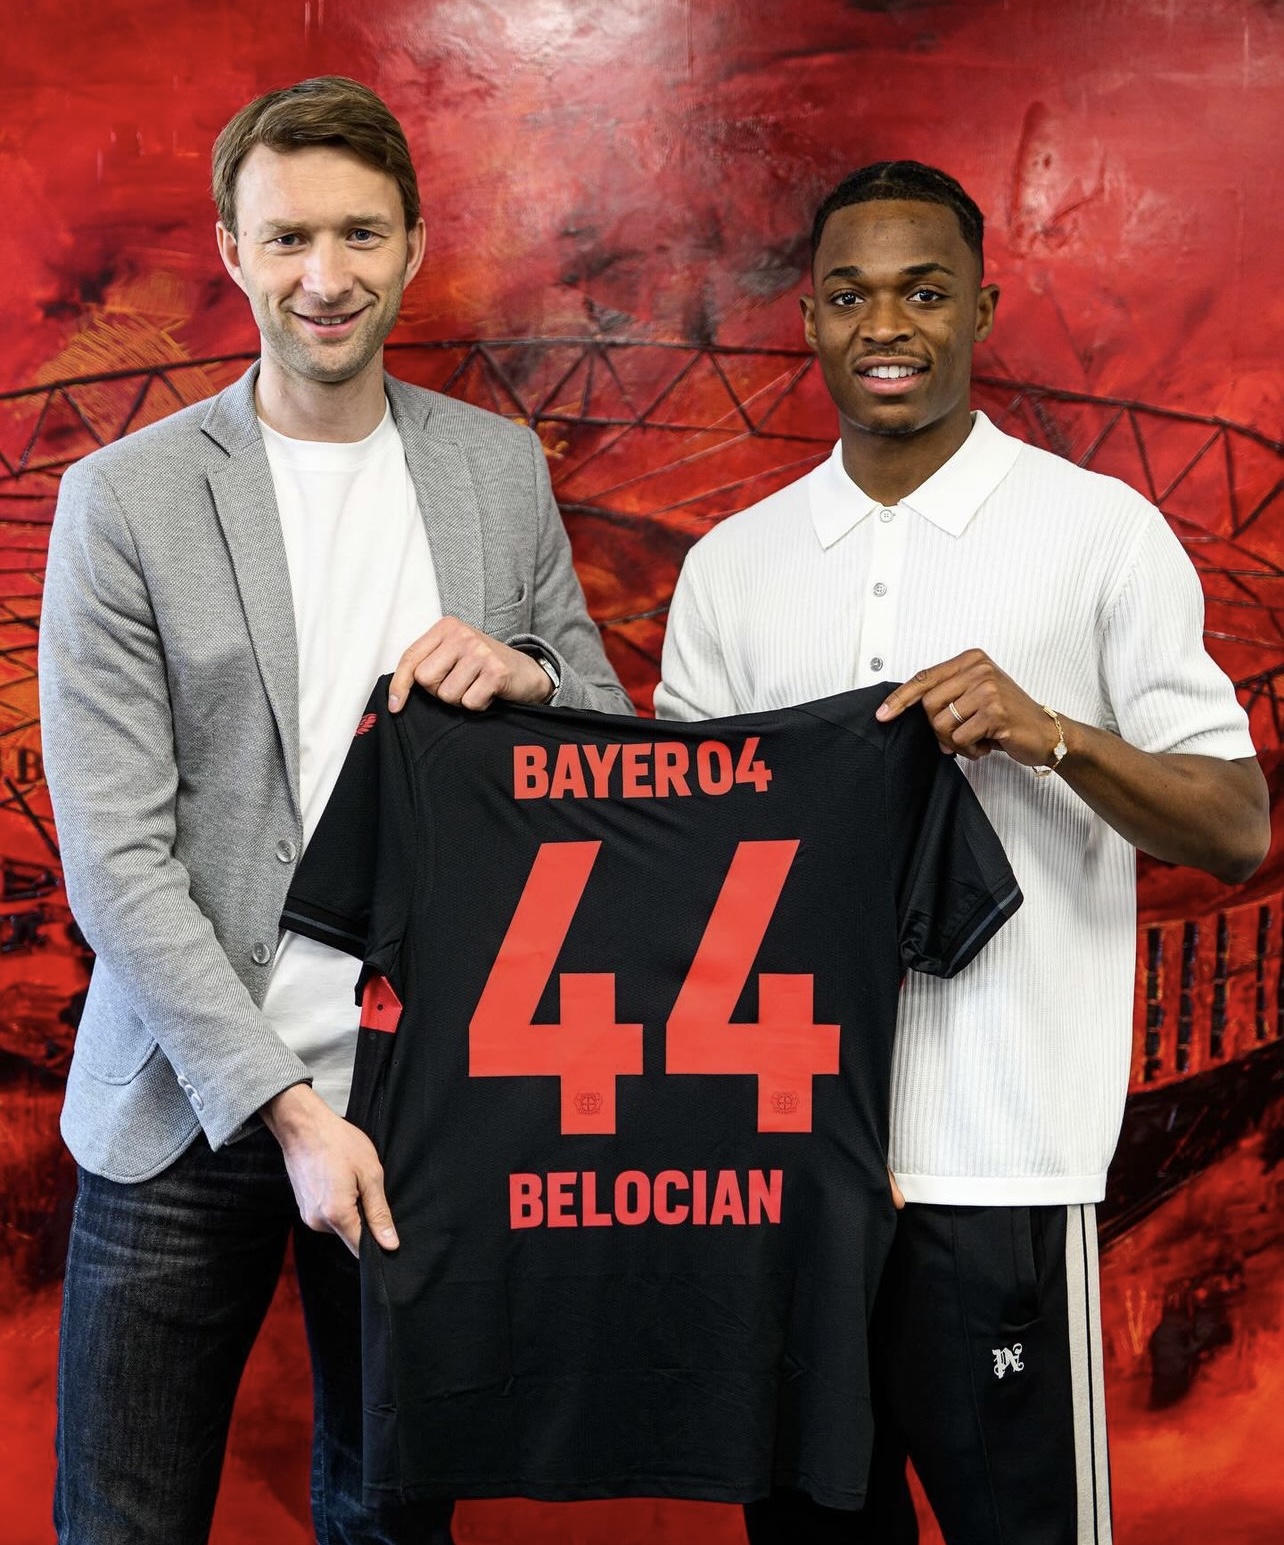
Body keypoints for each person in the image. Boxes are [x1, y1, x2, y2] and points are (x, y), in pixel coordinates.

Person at [38, 75, 630, 1545]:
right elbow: (115, 861)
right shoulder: (126, 499)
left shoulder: (495, 469)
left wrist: (534, 672)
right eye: (289, 236)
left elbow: (616, 745)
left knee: (391, 1521)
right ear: (231, 251)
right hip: (182, 1099)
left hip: (424, 1095)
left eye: (361, 234)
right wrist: (285, 1108)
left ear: (413, 245)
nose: (326, 275)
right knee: (121, 1521)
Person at [654, 161, 1270, 1543]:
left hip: (1002, 1166)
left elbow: (1238, 826)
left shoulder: (1099, 534)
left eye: (924, 292)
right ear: (808, 319)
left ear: (982, 308)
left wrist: (1055, 736)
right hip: (791, 1179)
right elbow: (685, 871)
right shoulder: (734, 566)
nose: (887, 326)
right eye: (851, 296)